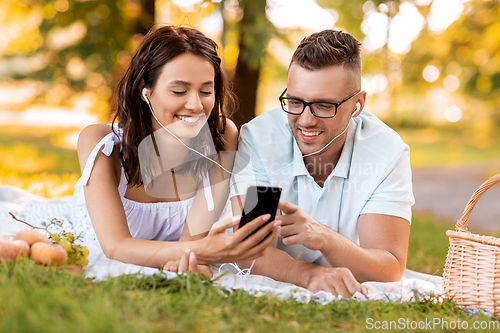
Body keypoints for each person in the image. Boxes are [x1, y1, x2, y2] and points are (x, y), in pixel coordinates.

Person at [73, 25, 280, 275]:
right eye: (179, 91)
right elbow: (115, 247)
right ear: (145, 91)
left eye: (206, 91)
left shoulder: (222, 136)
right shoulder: (101, 143)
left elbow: (190, 244)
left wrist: (191, 256)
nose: (195, 105)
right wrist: (206, 252)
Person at [229, 29, 414, 297]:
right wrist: (309, 274)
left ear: (357, 105)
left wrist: (324, 237)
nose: (305, 121)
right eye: (295, 102)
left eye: (324, 106)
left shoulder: (386, 153)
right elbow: (249, 250)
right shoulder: (261, 141)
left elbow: (390, 268)